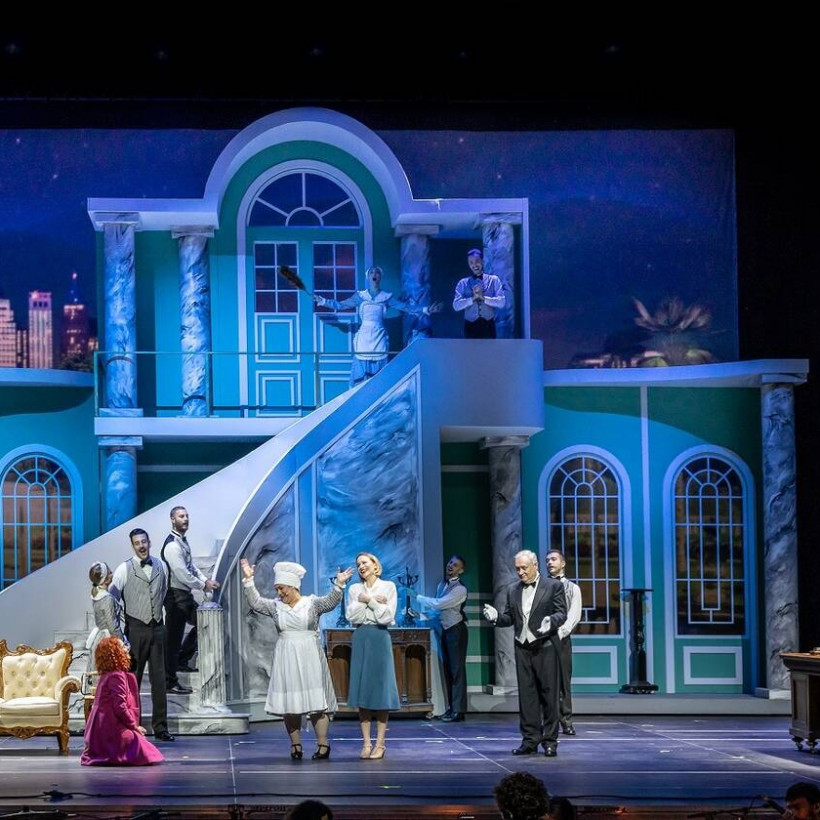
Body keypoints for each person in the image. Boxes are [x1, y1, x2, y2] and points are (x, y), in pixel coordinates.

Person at [239, 557, 353, 760]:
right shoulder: (275, 607)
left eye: (282, 588)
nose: (279, 593)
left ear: (293, 586)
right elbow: (256, 602)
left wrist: (339, 584)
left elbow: (330, 602)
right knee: (290, 703)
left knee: (317, 702)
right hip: (287, 657)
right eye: (277, 589)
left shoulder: (311, 603)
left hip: (310, 655)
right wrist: (249, 580)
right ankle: (296, 744)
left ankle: (323, 743)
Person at [483, 549, 567, 757]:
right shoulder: (512, 589)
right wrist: (496, 617)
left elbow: (562, 613)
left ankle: (550, 741)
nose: (520, 572)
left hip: (545, 646)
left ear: (535, 565)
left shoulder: (553, 586)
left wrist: (551, 621)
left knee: (549, 696)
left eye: (524, 568)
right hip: (523, 647)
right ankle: (530, 740)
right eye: (517, 569)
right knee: (527, 698)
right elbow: (509, 618)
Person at [314, 265, 442, 386]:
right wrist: (323, 301)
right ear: (368, 277)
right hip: (364, 339)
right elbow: (341, 305)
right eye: (371, 272)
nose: (374, 274)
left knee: (380, 377)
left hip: (379, 338)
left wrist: (426, 309)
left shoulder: (386, 297)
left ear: (380, 277)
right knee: (360, 374)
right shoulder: (361, 296)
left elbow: (406, 307)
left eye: (377, 272)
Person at [109, 527, 175, 742]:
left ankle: (161, 727)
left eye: (144, 542)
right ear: (133, 545)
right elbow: (111, 599)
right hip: (135, 630)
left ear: (149, 542)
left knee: (159, 681)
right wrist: (121, 628)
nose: (141, 546)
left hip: (157, 628)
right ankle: (132, 726)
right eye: (137, 543)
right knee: (132, 681)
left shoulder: (161, 565)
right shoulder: (124, 569)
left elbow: (163, 591)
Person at [160, 505, 220, 695]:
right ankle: (169, 682)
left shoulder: (182, 542)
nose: (185, 519)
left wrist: (205, 580)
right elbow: (182, 574)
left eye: (186, 516)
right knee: (172, 640)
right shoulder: (172, 546)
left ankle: (181, 661)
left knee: (203, 622)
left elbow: (191, 567)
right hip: (175, 596)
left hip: (183, 595)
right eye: (181, 516)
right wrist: (203, 585)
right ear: (172, 519)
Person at [346, 551, 400, 760]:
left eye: (364, 562)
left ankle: (380, 744)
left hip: (379, 637)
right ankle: (366, 743)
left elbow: (386, 616)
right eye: (358, 564)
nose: (361, 566)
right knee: (363, 691)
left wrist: (368, 600)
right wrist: (369, 601)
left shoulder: (388, 587)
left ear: (375, 565)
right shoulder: (354, 589)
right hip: (361, 636)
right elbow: (352, 615)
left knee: (381, 691)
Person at [81, 635, 164, 766]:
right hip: (108, 727)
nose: (126, 649)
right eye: (122, 647)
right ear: (115, 653)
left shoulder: (107, 674)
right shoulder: (116, 676)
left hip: (100, 726)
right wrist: (134, 726)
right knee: (142, 746)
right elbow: (120, 707)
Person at [416, 554, 469, 722]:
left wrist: (417, 597)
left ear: (461, 570)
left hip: (456, 630)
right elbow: (436, 611)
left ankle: (458, 711)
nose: (451, 566)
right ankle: (451, 708)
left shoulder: (460, 589)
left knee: (457, 671)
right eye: (450, 562)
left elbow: (440, 604)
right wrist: (420, 615)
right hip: (446, 631)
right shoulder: (442, 585)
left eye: (455, 565)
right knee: (448, 670)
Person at [545, 549, 582, 736]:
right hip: (541, 639)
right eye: (547, 560)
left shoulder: (572, 588)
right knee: (543, 682)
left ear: (563, 563)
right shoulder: (540, 586)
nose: (550, 563)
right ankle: (546, 721)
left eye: (553, 559)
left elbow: (574, 615)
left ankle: (566, 721)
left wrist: (560, 633)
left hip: (561, 639)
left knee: (563, 683)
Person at [85, 560, 127, 691]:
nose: (112, 573)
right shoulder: (107, 599)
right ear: (105, 579)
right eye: (109, 572)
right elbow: (112, 625)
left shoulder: (97, 595)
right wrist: (122, 642)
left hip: (100, 637)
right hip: (108, 639)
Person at [452, 248, 505, 338]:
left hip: (489, 326)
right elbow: (456, 306)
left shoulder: (494, 280)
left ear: (482, 261)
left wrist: (484, 298)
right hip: (470, 327)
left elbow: (501, 302)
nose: (474, 265)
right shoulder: (463, 283)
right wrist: (472, 299)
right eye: (471, 262)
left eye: (477, 261)